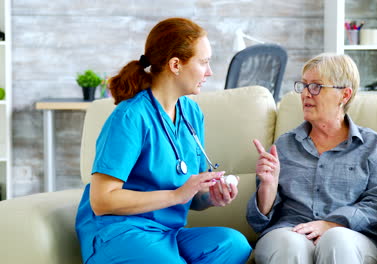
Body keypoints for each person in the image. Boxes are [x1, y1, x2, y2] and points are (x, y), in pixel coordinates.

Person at [75, 17, 252, 264]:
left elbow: (190, 193)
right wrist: (176, 196)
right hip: (120, 232)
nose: (209, 72)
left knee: (232, 245)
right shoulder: (130, 117)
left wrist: (210, 196)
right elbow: (102, 200)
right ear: (176, 64)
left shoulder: (191, 113)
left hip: (167, 233)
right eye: (204, 62)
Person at [246, 53, 377, 264]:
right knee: (290, 244)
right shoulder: (284, 145)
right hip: (290, 230)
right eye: (304, 85)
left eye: (316, 86)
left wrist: (333, 224)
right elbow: (258, 222)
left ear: (344, 95)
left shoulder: (372, 145)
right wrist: (267, 187)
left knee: (337, 239)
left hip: (351, 235)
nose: (306, 94)